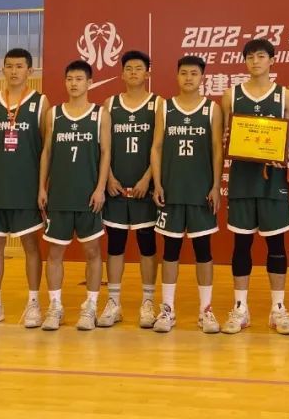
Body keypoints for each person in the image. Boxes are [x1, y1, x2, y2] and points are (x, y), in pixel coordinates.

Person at [220, 38, 289, 335]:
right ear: (245, 61)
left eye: (261, 56)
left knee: (276, 245)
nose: (255, 61)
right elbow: (224, 137)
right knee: (241, 245)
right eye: (250, 57)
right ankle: (240, 308)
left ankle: (278, 309)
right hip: (242, 180)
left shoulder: (285, 96)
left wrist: (282, 153)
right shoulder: (231, 95)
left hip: (273, 182)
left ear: (272, 60)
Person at [0, 48, 48, 329]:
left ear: (30, 70)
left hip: (26, 188)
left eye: (19, 66)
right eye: (9, 66)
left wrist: (42, 187)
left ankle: (33, 303)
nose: (14, 71)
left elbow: (46, 148)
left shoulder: (40, 102)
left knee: (30, 246)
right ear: (3, 69)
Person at [150, 55, 224, 333]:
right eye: (184, 73)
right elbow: (156, 147)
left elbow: (217, 149)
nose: (189, 77)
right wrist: (157, 182)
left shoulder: (212, 109)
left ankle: (206, 310)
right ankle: (167, 310)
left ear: (202, 77)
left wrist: (215, 186)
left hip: (200, 192)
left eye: (194, 73)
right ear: (177, 76)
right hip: (172, 190)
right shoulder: (166, 107)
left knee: (203, 251)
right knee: (170, 252)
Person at [38, 60, 109, 331]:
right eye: (69, 79)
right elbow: (46, 152)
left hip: (88, 196)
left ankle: (90, 306)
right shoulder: (54, 114)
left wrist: (100, 188)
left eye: (79, 79)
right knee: (55, 252)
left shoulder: (100, 114)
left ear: (89, 83)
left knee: (92, 251)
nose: (74, 83)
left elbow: (106, 153)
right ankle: (55, 306)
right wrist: (42, 187)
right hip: (59, 195)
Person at [98, 50, 160, 329]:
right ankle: (114, 302)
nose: (134, 72)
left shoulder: (158, 104)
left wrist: (148, 178)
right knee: (115, 245)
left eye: (139, 68)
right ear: (122, 74)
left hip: (144, 188)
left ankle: (148, 302)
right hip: (116, 188)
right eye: (129, 68)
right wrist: (108, 178)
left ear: (148, 73)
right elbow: (104, 146)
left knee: (147, 245)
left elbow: (159, 147)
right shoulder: (110, 104)